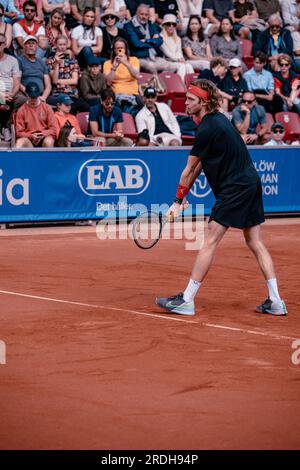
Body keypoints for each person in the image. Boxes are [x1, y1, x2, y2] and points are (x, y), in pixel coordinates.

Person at [156, 78, 287, 316]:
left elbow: (188, 169)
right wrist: (182, 197)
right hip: (251, 184)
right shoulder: (219, 122)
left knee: (210, 239)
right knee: (255, 241)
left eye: (191, 99)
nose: (186, 103)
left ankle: (187, 300)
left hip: (235, 188)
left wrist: (176, 202)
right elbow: (199, 167)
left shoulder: (208, 128)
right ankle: (276, 301)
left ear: (204, 102)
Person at [15, 81, 56, 148]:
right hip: (29, 139)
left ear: (39, 94)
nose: (34, 99)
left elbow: (53, 129)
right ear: (27, 95)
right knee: (20, 142)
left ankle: (48, 158)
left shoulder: (47, 108)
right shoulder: (21, 110)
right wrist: (31, 135)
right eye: (32, 97)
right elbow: (19, 132)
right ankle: (17, 158)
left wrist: (42, 134)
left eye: (35, 97)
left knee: (49, 141)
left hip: (44, 137)